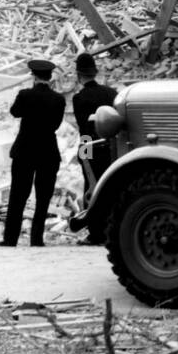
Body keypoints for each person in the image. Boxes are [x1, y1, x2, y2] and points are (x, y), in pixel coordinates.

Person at [1, 59, 66, 248]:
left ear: (33, 76)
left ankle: (11, 238)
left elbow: (14, 112)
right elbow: (56, 124)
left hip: (25, 150)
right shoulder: (59, 99)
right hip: (48, 151)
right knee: (43, 196)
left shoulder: (25, 95)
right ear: (50, 77)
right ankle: (37, 239)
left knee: (18, 195)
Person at [71, 52, 117, 244]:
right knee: (112, 187)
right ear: (95, 73)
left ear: (78, 75)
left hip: (90, 146)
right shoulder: (111, 93)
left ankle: (96, 233)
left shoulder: (79, 98)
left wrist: (84, 155)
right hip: (112, 148)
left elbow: (84, 129)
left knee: (91, 189)